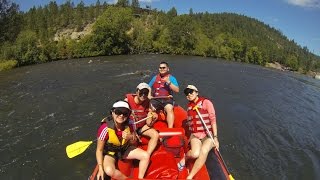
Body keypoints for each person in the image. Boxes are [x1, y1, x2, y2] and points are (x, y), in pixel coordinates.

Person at [96, 100, 150, 180]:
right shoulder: (105, 129)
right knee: (109, 170)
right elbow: (99, 150)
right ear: (113, 112)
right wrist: (100, 167)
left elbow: (134, 141)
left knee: (145, 156)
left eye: (125, 113)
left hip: (125, 149)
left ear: (128, 114)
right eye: (118, 112)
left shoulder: (130, 124)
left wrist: (130, 137)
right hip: (111, 152)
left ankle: (140, 178)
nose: (121, 115)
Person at [178, 85, 219, 179]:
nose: (189, 94)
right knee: (195, 153)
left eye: (191, 91)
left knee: (204, 151)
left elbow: (213, 120)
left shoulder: (206, 103)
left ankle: (190, 176)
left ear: (196, 92)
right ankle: (184, 159)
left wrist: (216, 138)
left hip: (208, 136)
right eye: (187, 93)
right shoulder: (189, 108)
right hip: (196, 135)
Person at [125, 82, 159, 156]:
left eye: (146, 93)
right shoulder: (127, 101)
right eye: (141, 92)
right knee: (132, 141)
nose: (143, 95)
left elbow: (152, 111)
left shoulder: (148, 102)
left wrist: (153, 115)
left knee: (155, 135)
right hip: (130, 127)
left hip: (141, 127)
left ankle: (148, 155)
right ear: (137, 92)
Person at [148, 61, 179, 128]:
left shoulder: (172, 78)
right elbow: (148, 87)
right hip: (156, 99)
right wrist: (149, 95)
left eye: (163, 67)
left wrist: (169, 82)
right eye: (160, 67)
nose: (161, 69)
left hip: (167, 99)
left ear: (168, 69)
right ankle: (149, 126)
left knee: (169, 108)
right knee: (150, 109)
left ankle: (170, 128)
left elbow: (177, 90)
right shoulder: (155, 78)